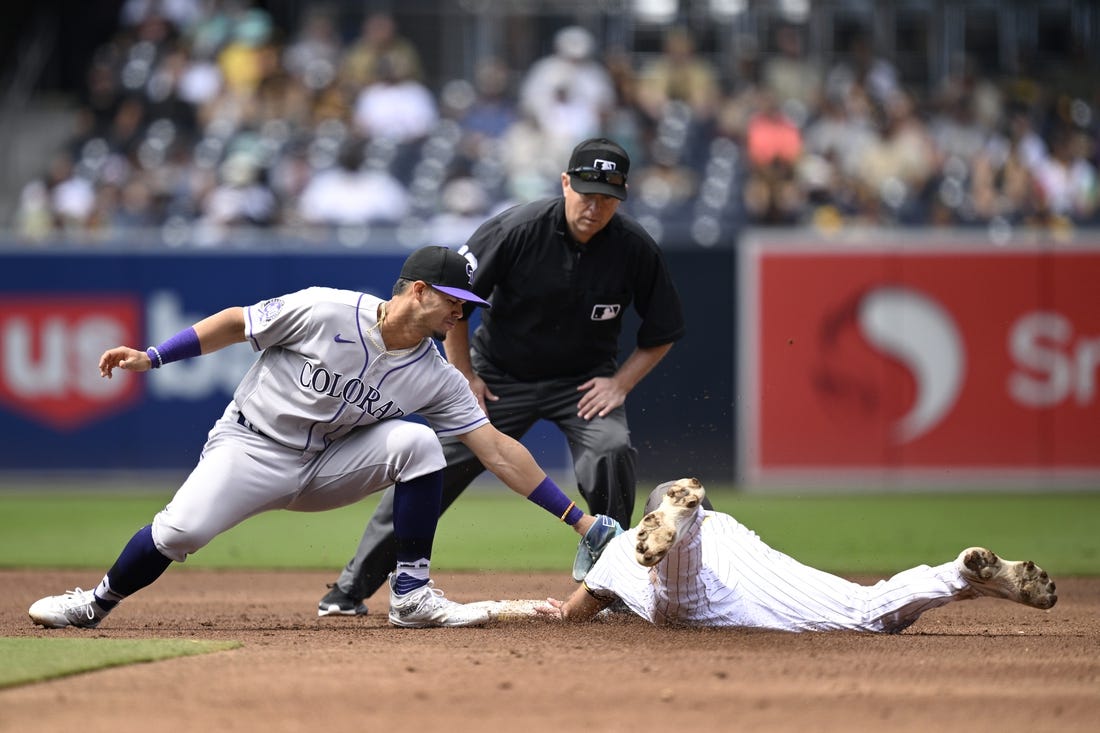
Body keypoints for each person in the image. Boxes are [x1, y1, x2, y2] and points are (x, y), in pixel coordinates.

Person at [27, 246, 621, 631]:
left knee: (420, 445)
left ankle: (411, 594)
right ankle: (94, 603)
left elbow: (496, 449)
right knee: (180, 531)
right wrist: (154, 356)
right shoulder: (326, 310)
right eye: (453, 301)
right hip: (251, 447)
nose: (460, 316)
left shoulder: (436, 374)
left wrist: (579, 520)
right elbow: (238, 322)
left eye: (467, 305)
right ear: (417, 289)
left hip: (329, 464)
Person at [317, 137, 688, 617]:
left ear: (621, 197)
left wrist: (620, 384)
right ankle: (350, 589)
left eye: (606, 198)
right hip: (498, 378)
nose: (593, 207)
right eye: (585, 192)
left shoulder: (636, 249)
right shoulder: (516, 229)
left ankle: (609, 584)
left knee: (610, 452)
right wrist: (463, 373)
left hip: (582, 384)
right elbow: (456, 300)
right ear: (565, 184)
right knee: (432, 465)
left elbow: (665, 330)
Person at [538, 478, 1058, 630]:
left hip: (691, 594)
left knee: (678, 599)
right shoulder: (733, 525)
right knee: (866, 609)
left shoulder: (620, 551)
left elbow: (571, 614)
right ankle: (958, 574)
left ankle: (682, 527)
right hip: (757, 577)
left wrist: (585, 608)